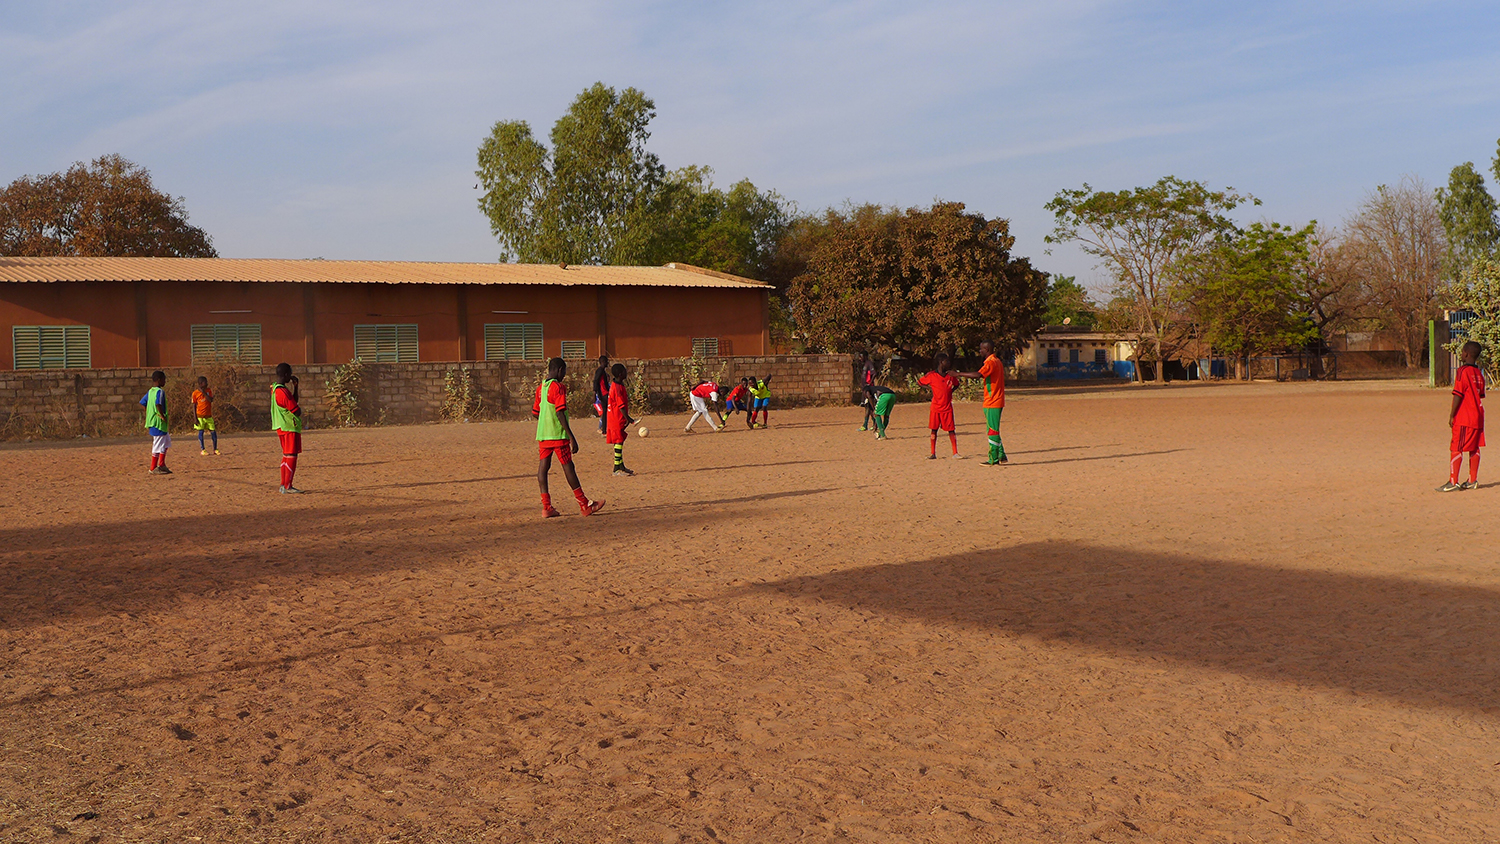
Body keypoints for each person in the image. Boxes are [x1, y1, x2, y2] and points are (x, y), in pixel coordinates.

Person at [534, 357, 605, 517]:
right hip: (558, 435)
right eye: (564, 372)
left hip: (543, 435)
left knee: (543, 469)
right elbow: (559, 412)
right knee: (568, 467)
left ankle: (546, 507)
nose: (564, 375)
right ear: (559, 370)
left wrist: (546, 420)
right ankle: (584, 504)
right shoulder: (558, 387)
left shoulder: (541, 388)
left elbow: (535, 413)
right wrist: (571, 436)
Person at [1440, 340, 1486, 492]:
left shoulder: (1462, 371)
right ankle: (1472, 480)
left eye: (1462, 352)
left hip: (1465, 416)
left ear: (1466, 354)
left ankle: (1453, 482)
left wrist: (1452, 415)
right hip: (1478, 415)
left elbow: (1458, 394)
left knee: (1457, 447)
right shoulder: (1479, 374)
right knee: (1474, 447)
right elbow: (1480, 394)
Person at [958, 340, 1008, 465]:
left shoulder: (991, 363)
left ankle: (993, 459)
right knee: (993, 428)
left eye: (981, 349)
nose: (979, 351)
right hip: (994, 401)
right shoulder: (997, 361)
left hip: (992, 401)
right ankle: (1001, 455)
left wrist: (958, 374)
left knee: (992, 430)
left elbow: (978, 375)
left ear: (987, 350)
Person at [918, 354, 962, 459]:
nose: (949, 363)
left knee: (951, 430)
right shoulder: (932, 375)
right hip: (936, 408)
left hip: (947, 407)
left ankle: (955, 453)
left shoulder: (950, 375)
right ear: (941, 362)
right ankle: (933, 453)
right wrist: (929, 389)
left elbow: (956, 384)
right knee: (934, 430)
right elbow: (920, 382)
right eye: (947, 361)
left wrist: (950, 391)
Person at [272, 363, 304, 494]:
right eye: (289, 374)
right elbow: (296, 410)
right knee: (292, 455)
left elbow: (293, 401)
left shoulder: (276, 388)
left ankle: (283, 484)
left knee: (286, 455)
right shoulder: (282, 392)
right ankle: (288, 486)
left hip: (281, 426)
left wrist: (296, 387)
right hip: (289, 426)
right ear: (286, 375)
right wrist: (299, 410)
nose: (291, 376)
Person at [606, 363, 637, 476]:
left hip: (616, 417)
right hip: (615, 418)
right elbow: (621, 406)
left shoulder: (618, 384)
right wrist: (628, 418)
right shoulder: (617, 387)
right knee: (618, 441)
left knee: (620, 440)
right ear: (620, 374)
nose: (626, 373)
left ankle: (621, 466)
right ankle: (616, 469)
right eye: (624, 371)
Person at [140, 370, 172, 475]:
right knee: (158, 444)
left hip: (154, 421)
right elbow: (158, 404)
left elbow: (143, 402)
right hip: (159, 422)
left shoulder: (150, 391)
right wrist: (162, 416)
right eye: (164, 379)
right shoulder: (160, 392)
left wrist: (149, 413)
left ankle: (162, 465)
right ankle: (153, 467)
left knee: (166, 441)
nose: (165, 381)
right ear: (159, 380)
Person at [191, 375, 219, 455]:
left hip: (208, 416)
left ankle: (215, 449)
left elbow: (210, 400)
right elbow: (194, 405)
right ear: (200, 384)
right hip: (200, 416)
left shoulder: (208, 391)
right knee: (201, 432)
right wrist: (195, 418)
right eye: (205, 383)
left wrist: (204, 392)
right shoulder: (195, 393)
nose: (207, 384)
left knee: (213, 431)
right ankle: (203, 449)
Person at [591, 354, 611, 434]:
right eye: (606, 361)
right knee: (610, 409)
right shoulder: (599, 371)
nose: (608, 363)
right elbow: (596, 381)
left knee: (606, 412)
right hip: (603, 394)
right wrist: (594, 394)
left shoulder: (602, 371)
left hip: (604, 393)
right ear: (603, 362)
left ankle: (604, 430)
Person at [858, 353, 877, 431]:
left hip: (869, 389)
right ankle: (870, 424)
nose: (860, 358)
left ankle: (871, 424)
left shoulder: (869, 363)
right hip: (865, 388)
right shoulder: (865, 364)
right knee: (867, 407)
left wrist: (870, 383)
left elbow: (874, 373)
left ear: (865, 356)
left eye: (861, 356)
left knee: (870, 407)